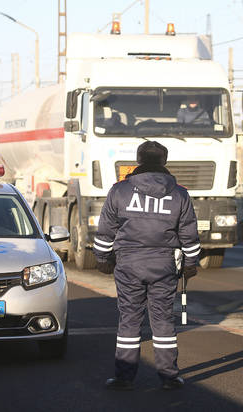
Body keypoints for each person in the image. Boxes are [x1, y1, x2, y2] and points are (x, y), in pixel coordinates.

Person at [94, 141, 200, 391]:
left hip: (128, 264)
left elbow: (106, 229)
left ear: (139, 160)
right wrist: (191, 264)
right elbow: (189, 234)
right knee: (163, 321)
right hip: (164, 266)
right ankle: (169, 377)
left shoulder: (120, 191)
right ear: (164, 162)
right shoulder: (180, 193)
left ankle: (124, 377)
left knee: (129, 320)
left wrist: (101, 259)